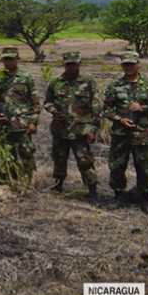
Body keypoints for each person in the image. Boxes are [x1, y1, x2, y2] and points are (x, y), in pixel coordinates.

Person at [102, 51, 148, 205]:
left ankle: (144, 198)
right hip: (120, 134)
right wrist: (119, 119)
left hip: (142, 134)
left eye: (131, 64)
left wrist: (143, 108)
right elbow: (106, 110)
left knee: (144, 167)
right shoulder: (114, 86)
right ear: (122, 66)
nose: (128, 67)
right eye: (125, 64)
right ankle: (119, 196)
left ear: (138, 65)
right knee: (117, 166)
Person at [43, 51, 100, 204]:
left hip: (81, 130)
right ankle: (58, 185)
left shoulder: (88, 82)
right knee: (59, 158)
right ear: (64, 64)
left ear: (79, 64)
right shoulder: (56, 82)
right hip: (60, 129)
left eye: (74, 64)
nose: (71, 67)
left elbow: (96, 107)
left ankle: (92, 190)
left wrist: (93, 129)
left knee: (85, 160)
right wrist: (54, 111)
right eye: (68, 64)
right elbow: (47, 102)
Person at [0, 47, 40, 178]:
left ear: (17, 59)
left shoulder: (26, 78)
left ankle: (28, 179)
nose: (9, 62)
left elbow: (35, 103)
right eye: (6, 59)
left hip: (23, 124)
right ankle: (11, 179)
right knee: (7, 154)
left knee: (26, 151)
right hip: (4, 125)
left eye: (11, 59)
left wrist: (33, 122)